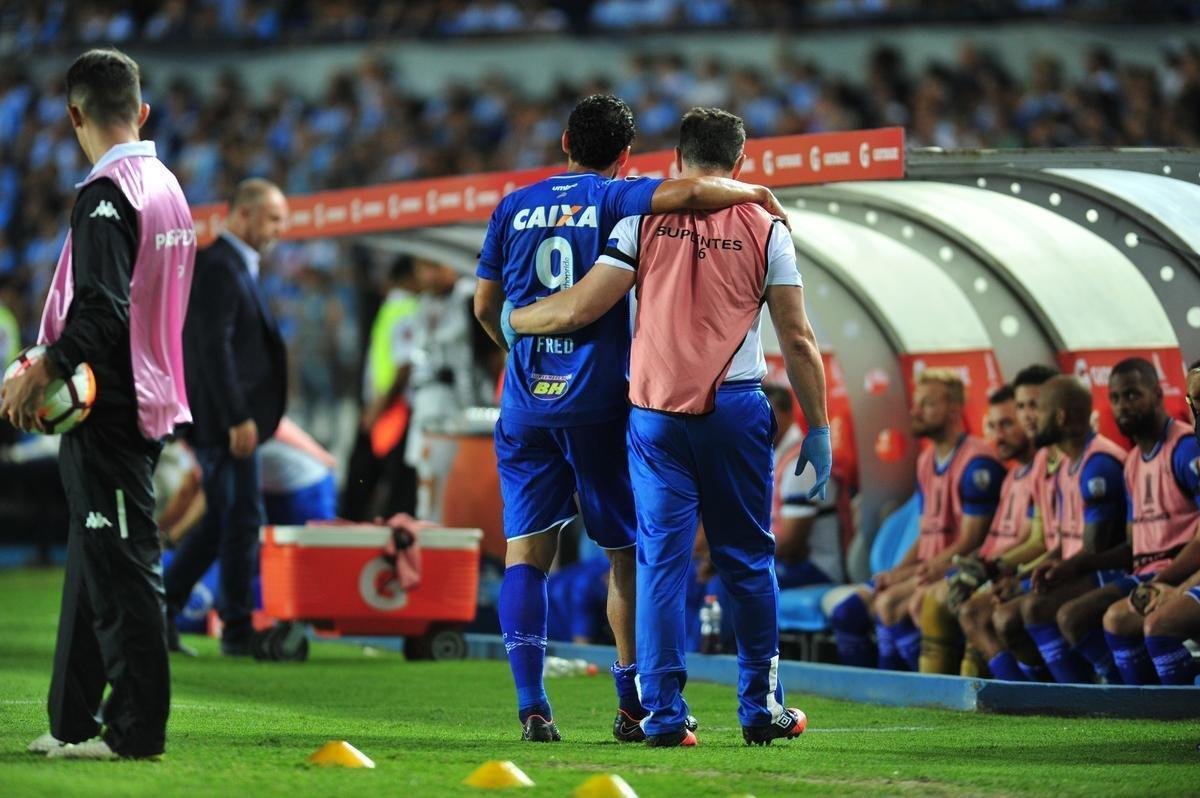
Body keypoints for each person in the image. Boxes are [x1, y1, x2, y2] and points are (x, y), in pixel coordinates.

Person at [474, 95, 791, 744]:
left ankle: (534, 706)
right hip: (599, 405)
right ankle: (633, 704)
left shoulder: (511, 204)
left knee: (526, 554)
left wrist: (520, 348)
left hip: (525, 402)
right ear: (626, 157)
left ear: (563, 140)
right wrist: (754, 187)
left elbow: (485, 305)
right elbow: (693, 197)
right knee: (626, 556)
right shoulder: (618, 197)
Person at [1, 48, 196, 760]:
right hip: (146, 397)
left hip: (108, 406)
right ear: (141, 112)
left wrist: (40, 369)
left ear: (74, 114)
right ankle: (72, 721)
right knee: (94, 565)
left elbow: (103, 311)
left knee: (123, 570)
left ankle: (136, 733)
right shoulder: (167, 185)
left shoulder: (108, 193)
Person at [163, 178, 289, 658]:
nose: (281, 229)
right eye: (273, 218)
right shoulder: (218, 265)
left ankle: (165, 609)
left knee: (224, 519)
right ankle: (236, 629)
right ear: (243, 215)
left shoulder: (234, 266)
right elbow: (210, 347)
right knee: (239, 518)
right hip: (227, 424)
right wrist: (236, 416)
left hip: (230, 422)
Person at [830, 370, 1005, 671]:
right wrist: (896, 572)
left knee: (889, 604)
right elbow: (926, 533)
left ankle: (920, 695)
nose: (916, 411)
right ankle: (878, 696)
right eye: (916, 403)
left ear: (952, 410)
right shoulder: (926, 461)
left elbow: (970, 541)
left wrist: (913, 574)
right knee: (847, 613)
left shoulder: (977, 463)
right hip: (926, 569)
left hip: (954, 569)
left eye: (927, 404)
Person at [1054, 358, 1200, 684]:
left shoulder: (1185, 449)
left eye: (1132, 395)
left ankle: (1161, 713)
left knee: (1118, 620)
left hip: (1176, 567)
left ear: (1158, 393)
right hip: (1146, 571)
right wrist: (1077, 566)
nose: (1123, 406)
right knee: (1075, 617)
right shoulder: (1133, 461)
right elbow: (1134, 544)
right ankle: (1132, 702)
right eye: (1116, 399)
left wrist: (1165, 581)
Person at [918, 385, 1038, 675]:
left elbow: (1033, 541)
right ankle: (930, 705)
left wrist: (989, 568)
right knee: (934, 602)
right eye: (993, 426)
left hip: (1022, 573)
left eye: (1007, 423)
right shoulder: (1012, 476)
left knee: (963, 607)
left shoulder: (1039, 469)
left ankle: (1016, 695)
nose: (998, 435)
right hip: (995, 569)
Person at [1130, 359, 1200, 684]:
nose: (1195, 411)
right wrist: (1167, 584)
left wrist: (1177, 588)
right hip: (1158, 568)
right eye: (1192, 401)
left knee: (1159, 625)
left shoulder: (1184, 450)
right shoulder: (1131, 462)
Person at [341, 254, 420, 520]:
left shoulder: (400, 308)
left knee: (375, 479)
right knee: (381, 479)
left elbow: (403, 366)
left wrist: (376, 406)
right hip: (387, 405)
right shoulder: (402, 307)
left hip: (390, 407)